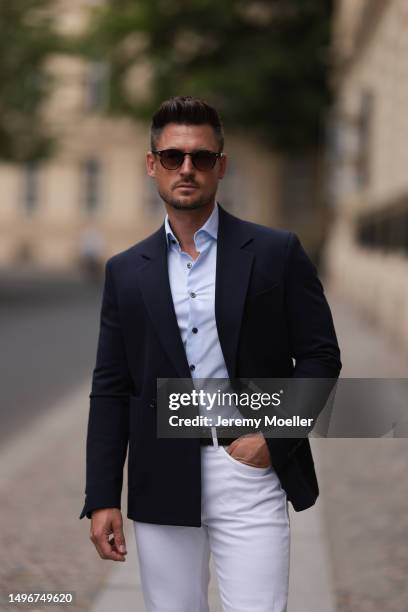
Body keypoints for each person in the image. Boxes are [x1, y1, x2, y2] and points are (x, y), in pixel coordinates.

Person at [80, 96, 341, 611]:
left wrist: (272, 436)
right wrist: (102, 496)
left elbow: (320, 357)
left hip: (247, 468)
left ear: (220, 166)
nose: (187, 168)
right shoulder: (125, 271)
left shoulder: (275, 252)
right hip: (161, 473)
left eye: (201, 157)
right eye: (173, 156)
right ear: (151, 164)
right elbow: (111, 386)